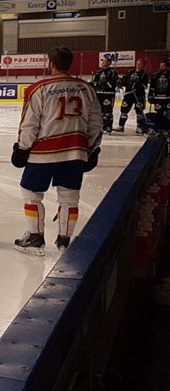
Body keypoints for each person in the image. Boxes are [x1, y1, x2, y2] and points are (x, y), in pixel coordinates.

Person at [12, 47, 103, 254]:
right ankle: (64, 241)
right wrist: (90, 149)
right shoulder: (87, 89)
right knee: (70, 198)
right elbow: (96, 123)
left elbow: (29, 124)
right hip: (75, 153)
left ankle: (35, 238)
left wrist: (22, 148)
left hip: (42, 153)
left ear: (51, 64)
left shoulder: (38, 89)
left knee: (31, 194)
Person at [118, 60, 148, 134]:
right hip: (129, 94)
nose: (138, 65)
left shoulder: (144, 75)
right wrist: (121, 82)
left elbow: (145, 85)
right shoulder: (130, 72)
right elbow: (124, 80)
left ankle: (139, 127)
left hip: (139, 95)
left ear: (143, 66)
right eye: (137, 64)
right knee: (124, 110)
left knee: (139, 112)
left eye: (140, 64)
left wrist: (138, 86)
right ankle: (121, 126)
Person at [91, 57, 119, 134]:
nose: (103, 62)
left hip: (108, 94)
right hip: (99, 94)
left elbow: (114, 83)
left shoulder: (112, 71)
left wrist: (106, 82)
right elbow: (95, 82)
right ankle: (102, 126)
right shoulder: (99, 72)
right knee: (101, 112)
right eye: (102, 61)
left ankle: (109, 126)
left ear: (109, 63)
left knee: (108, 111)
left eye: (104, 61)